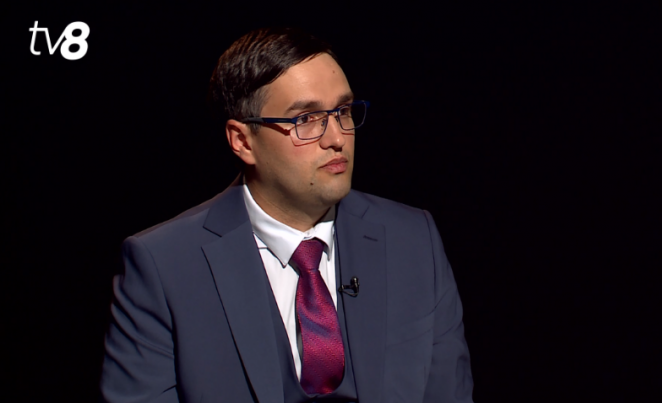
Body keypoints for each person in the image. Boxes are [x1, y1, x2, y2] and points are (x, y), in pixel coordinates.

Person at [100, 27, 474, 403]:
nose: (337, 138)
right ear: (243, 141)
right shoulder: (164, 265)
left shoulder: (413, 240)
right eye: (306, 119)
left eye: (343, 112)